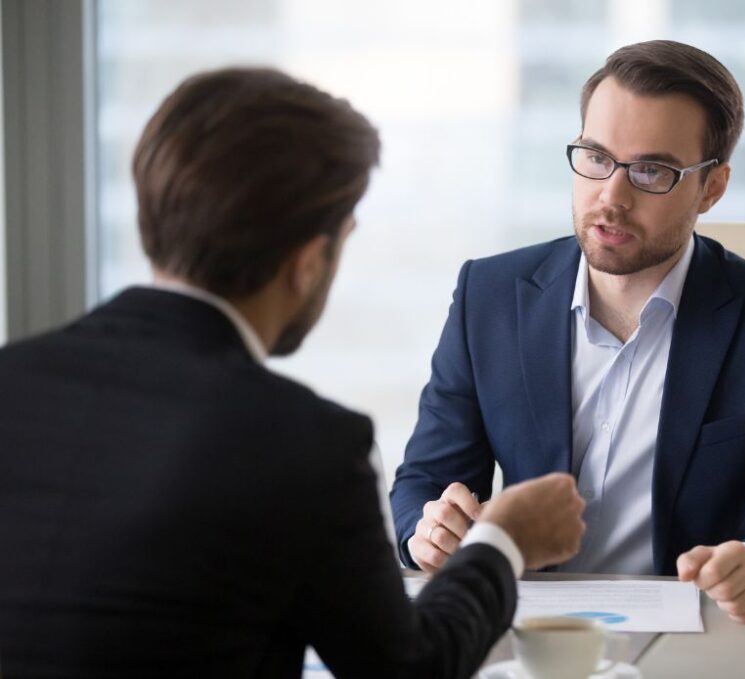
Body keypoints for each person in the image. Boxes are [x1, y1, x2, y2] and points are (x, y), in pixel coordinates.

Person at [0, 67, 586, 678]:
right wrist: (504, 539)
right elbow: (410, 669)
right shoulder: (305, 444)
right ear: (309, 262)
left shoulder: (11, 382)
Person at [391, 40, 745, 624]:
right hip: (524, 633)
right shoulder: (489, 297)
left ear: (712, 188)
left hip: (694, 636)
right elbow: (424, 483)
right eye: (595, 157)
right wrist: (428, 531)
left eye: (651, 171)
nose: (610, 197)